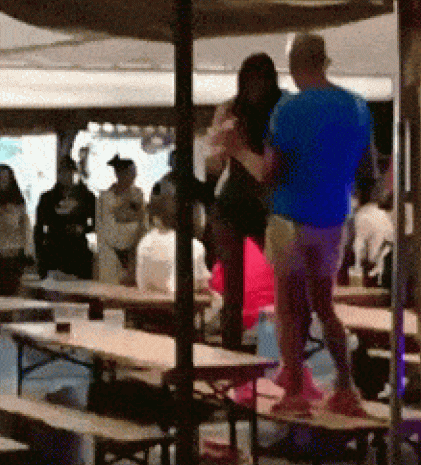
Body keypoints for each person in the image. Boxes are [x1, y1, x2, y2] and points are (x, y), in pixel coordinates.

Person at [264, 32, 371, 417]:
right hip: (333, 218)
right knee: (325, 306)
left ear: (294, 66)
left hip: (290, 216)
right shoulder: (357, 106)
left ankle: (294, 392)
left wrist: (239, 151)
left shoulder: (288, 109)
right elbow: (366, 168)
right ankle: (345, 386)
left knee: (289, 308)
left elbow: (271, 171)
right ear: (325, 62)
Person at [207, 52, 282, 349]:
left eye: (260, 80)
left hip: (265, 204)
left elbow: (269, 174)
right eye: (250, 81)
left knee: (284, 282)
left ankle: (284, 352)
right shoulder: (230, 109)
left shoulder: (280, 113)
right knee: (232, 294)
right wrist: (218, 145)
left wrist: (236, 149)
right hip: (233, 204)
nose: (254, 88)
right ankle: (231, 355)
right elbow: (213, 166)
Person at [136, 176, 210, 334]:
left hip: (147, 318)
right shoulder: (193, 246)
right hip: (179, 323)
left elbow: (142, 283)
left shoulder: (144, 243)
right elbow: (201, 287)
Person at [34, 156, 96, 280]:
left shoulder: (87, 197)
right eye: (63, 172)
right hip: (53, 250)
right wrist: (39, 254)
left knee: (80, 287)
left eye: (70, 172)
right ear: (58, 174)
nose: (67, 176)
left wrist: (83, 228)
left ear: (75, 174)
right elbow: (39, 228)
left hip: (78, 251)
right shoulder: (47, 198)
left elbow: (97, 222)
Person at [96, 156, 146, 285]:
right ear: (119, 174)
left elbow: (142, 216)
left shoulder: (138, 194)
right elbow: (116, 219)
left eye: (134, 173)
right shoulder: (105, 198)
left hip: (134, 250)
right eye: (130, 173)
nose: (134, 176)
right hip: (111, 252)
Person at [0, 164, 30, 294]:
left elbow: (25, 228)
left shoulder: (18, 204)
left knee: (11, 291)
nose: (2, 182)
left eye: (5, 179)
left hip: (14, 256)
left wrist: (27, 251)